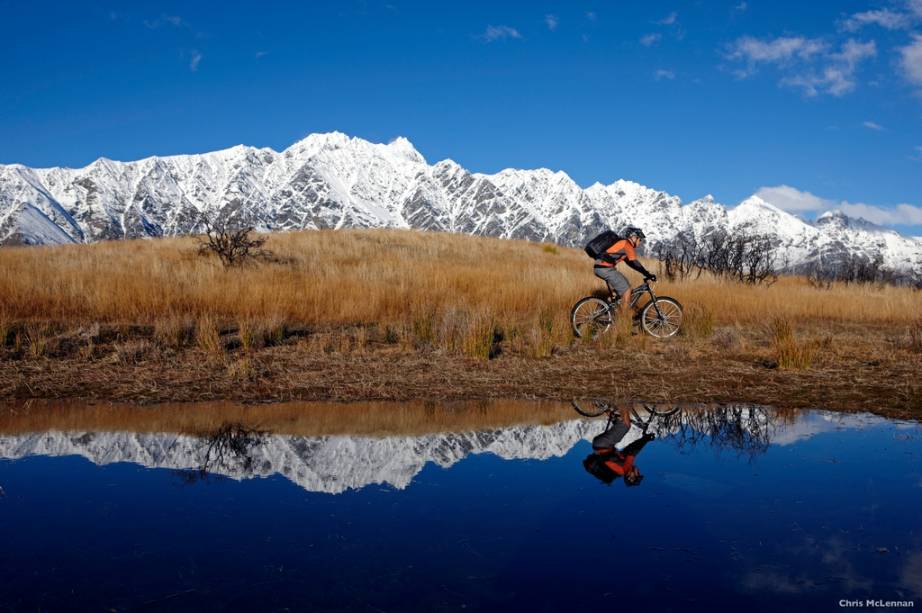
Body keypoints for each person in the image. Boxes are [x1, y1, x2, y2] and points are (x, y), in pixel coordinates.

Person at [582, 407, 655, 486]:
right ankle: (603, 405)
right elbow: (628, 450)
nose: (639, 472)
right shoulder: (620, 469)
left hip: (603, 445)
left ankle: (623, 400)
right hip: (600, 445)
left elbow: (633, 450)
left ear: (631, 476)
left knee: (626, 425)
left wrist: (646, 439)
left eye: (638, 474)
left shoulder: (624, 468)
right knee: (618, 423)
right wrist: (644, 439)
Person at [593, 227, 657, 310]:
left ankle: (606, 310)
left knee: (623, 289)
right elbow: (635, 262)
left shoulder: (623, 244)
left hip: (602, 268)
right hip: (604, 268)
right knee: (627, 291)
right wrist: (647, 273)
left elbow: (631, 263)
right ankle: (623, 317)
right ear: (633, 237)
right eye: (639, 239)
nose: (640, 242)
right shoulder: (626, 244)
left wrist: (645, 273)